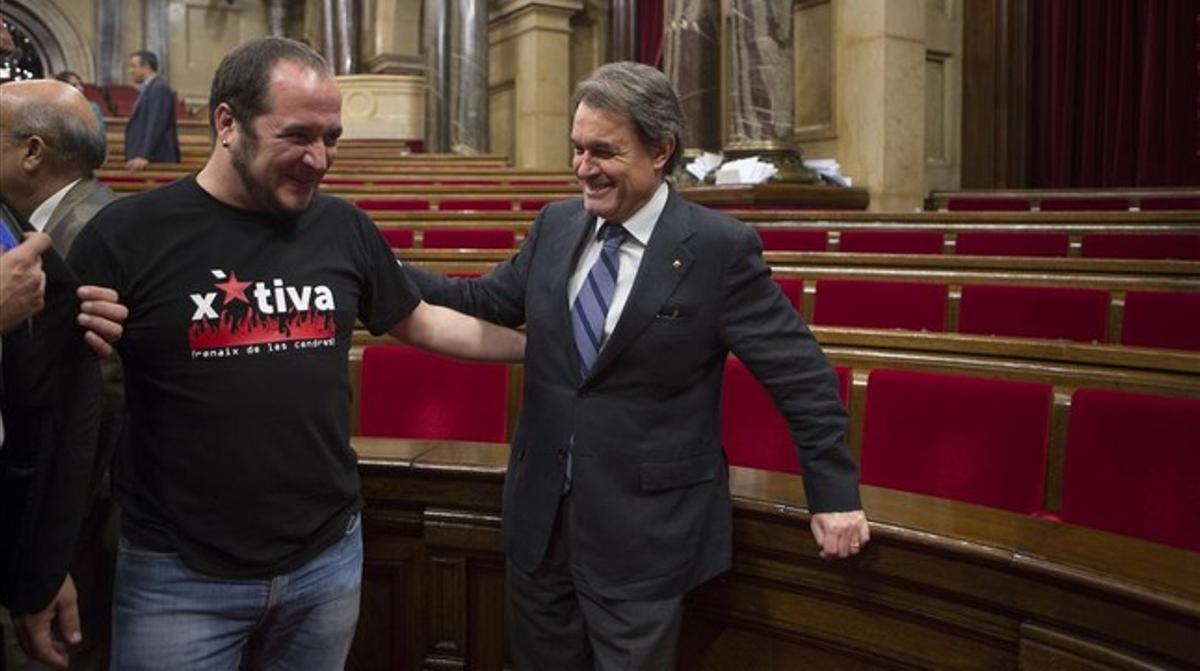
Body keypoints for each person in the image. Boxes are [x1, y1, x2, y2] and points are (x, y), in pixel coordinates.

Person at [67, 37, 526, 670]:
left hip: (325, 561)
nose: (319, 159)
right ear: (227, 122)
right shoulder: (127, 236)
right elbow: (62, 400)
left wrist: (546, 351)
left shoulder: (341, 226)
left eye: (332, 137)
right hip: (179, 575)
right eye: (297, 136)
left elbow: (424, 322)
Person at [408, 61, 870, 670]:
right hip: (541, 522)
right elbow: (484, 300)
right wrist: (371, 272)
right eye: (576, 149)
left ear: (661, 151)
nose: (582, 168)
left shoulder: (716, 248)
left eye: (603, 151)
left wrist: (833, 495)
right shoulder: (557, 223)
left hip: (645, 537)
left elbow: (800, 375)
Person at [0, 78, 121, 670]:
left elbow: (98, 401)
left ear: (32, 151)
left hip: (77, 522)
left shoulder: (91, 234)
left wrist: (52, 554)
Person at [122, 50, 179, 171]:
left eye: (134, 66)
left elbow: (156, 123)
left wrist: (144, 155)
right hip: (150, 159)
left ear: (146, 66)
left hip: (156, 159)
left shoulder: (159, 87)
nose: (130, 70)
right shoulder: (151, 87)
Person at [53, 71, 107, 136]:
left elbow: (100, 133)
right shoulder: (54, 108)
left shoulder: (92, 108)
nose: (80, 88)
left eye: (80, 85)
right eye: (74, 85)